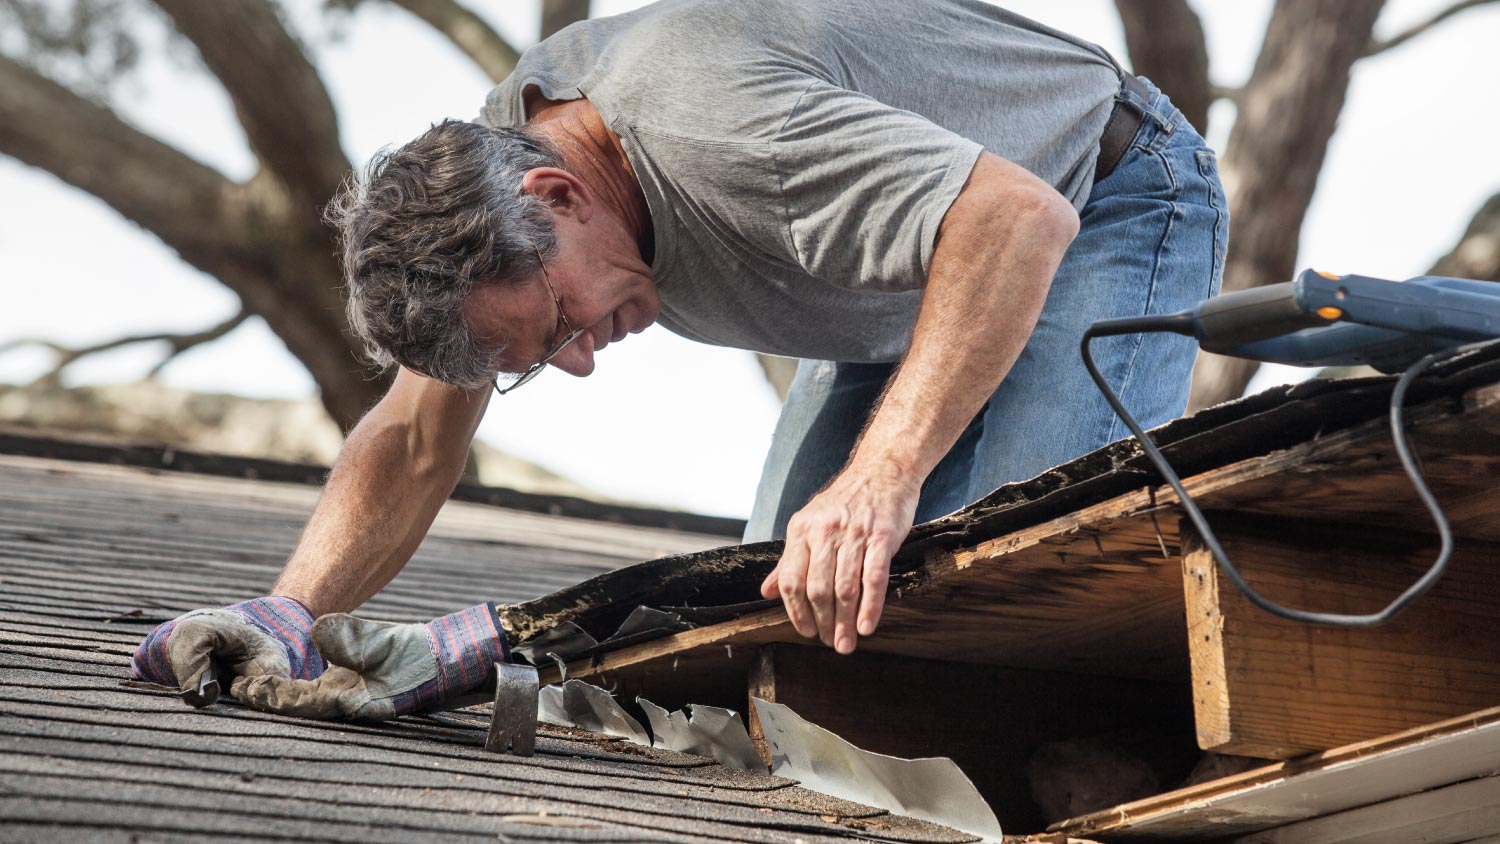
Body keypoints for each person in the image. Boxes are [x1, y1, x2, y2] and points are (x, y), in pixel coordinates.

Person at [131, 0, 1227, 718]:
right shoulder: (483, 196)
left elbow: (1013, 220)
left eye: (559, 324)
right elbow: (418, 436)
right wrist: (289, 613)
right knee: (780, 639)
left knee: (1007, 601)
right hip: (903, 280)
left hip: (1098, 195)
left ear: (557, 196)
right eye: (536, 358)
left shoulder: (713, 130)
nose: (580, 363)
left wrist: (880, 479)